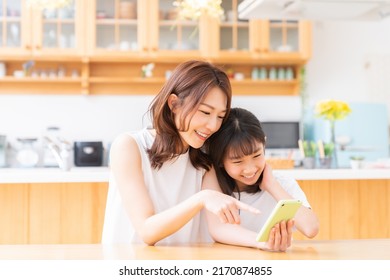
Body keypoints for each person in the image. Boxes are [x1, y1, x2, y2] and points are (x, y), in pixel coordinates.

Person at [102, 61, 260, 245]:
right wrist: (201, 199)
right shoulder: (129, 146)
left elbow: (219, 228)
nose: (213, 126)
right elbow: (146, 230)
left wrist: (263, 241)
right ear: (174, 104)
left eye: (219, 116)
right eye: (205, 112)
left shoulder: (203, 160)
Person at [202, 107, 319, 252]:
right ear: (220, 160)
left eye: (257, 155)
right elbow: (218, 229)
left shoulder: (281, 182)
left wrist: (272, 186)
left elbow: (311, 228)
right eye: (238, 162)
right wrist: (263, 242)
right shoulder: (213, 184)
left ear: (264, 144)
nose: (250, 169)